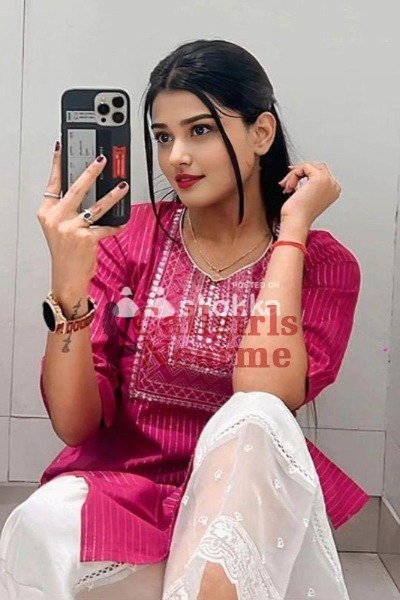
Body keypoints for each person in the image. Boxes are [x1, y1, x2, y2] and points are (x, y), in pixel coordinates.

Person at [0, 39, 369, 600]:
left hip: (243, 507)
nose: (176, 157)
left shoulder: (322, 263)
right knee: (40, 522)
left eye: (200, 131)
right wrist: (68, 290)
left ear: (261, 134)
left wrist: (292, 232)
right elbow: (75, 426)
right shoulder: (130, 238)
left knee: (255, 416)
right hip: (130, 497)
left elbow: (267, 393)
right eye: (163, 137)